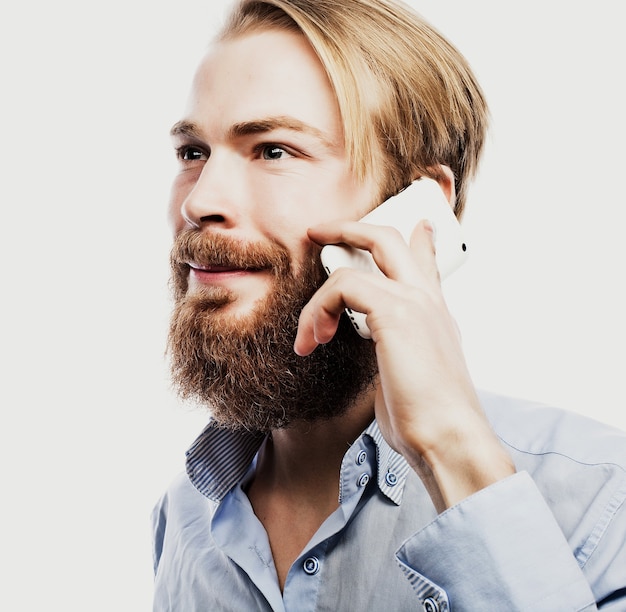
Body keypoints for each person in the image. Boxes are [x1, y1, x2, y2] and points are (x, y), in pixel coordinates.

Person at [151, 0, 626, 609]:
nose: (199, 201)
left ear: (421, 208)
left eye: (273, 150)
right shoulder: (186, 517)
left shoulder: (599, 502)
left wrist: (454, 454)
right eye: (193, 153)